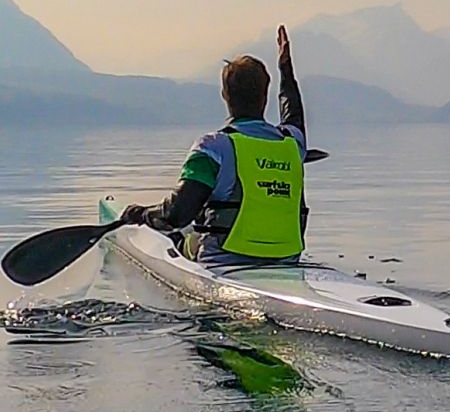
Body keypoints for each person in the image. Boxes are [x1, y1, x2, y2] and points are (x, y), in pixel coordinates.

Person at [119, 26, 308, 268]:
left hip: (222, 263)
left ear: (224, 95)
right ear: (265, 97)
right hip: (286, 261)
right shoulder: (292, 144)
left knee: (179, 234)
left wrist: (141, 214)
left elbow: (176, 215)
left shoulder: (213, 148)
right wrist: (286, 69)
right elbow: (293, 114)